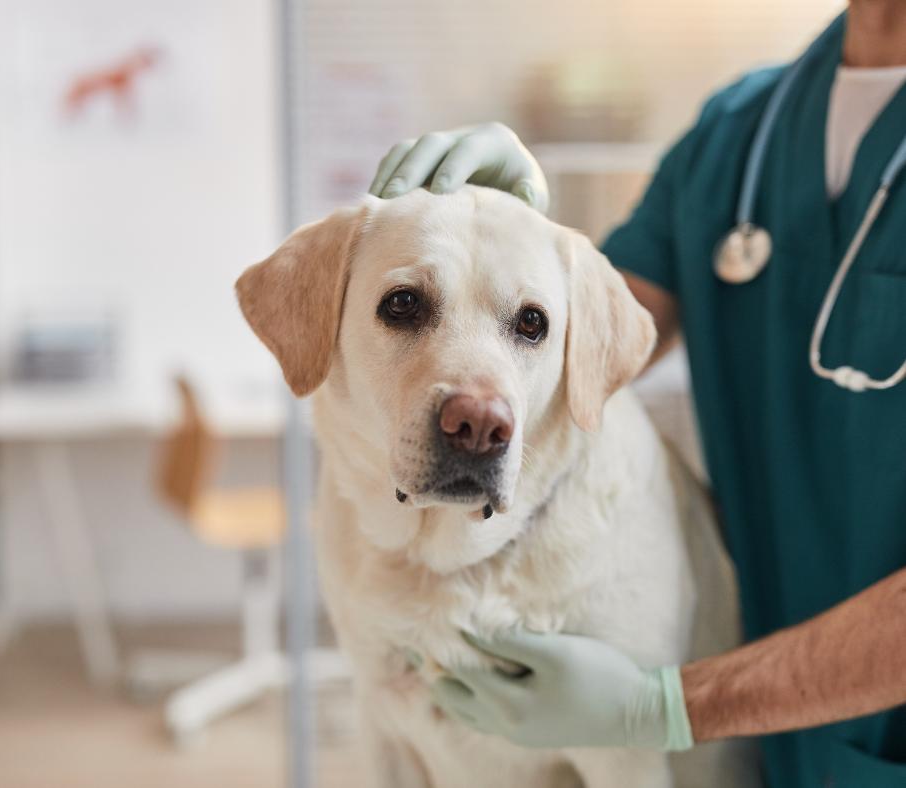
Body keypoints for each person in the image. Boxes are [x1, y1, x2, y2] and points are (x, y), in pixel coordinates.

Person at [367, 3, 906, 787]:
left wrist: (661, 707)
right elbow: (585, 332)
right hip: (779, 747)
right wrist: (506, 241)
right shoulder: (738, 133)